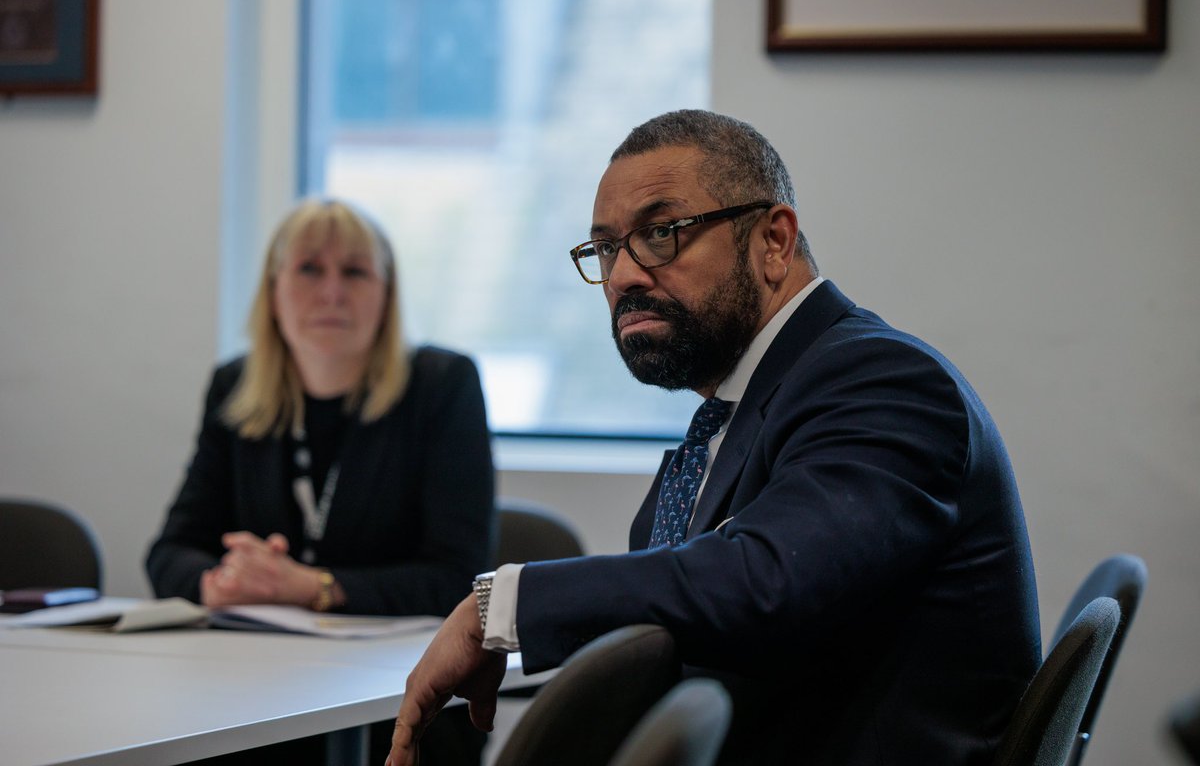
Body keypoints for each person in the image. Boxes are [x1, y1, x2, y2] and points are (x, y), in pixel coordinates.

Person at [386, 110, 1042, 766]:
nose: (622, 277)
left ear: (774, 243)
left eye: (662, 233)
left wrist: (501, 606)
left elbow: (765, 580)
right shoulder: (750, 403)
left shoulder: (882, 380)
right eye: (607, 248)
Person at [146, 198, 493, 764]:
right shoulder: (233, 386)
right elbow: (168, 553)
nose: (332, 291)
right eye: (310, 269)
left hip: (402, 700)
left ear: (386, 295)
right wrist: (221, 582)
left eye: (354, 272)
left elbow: (459, 577)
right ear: (273, 290)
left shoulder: (442, 385)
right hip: (247, 694)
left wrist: (311, 587)